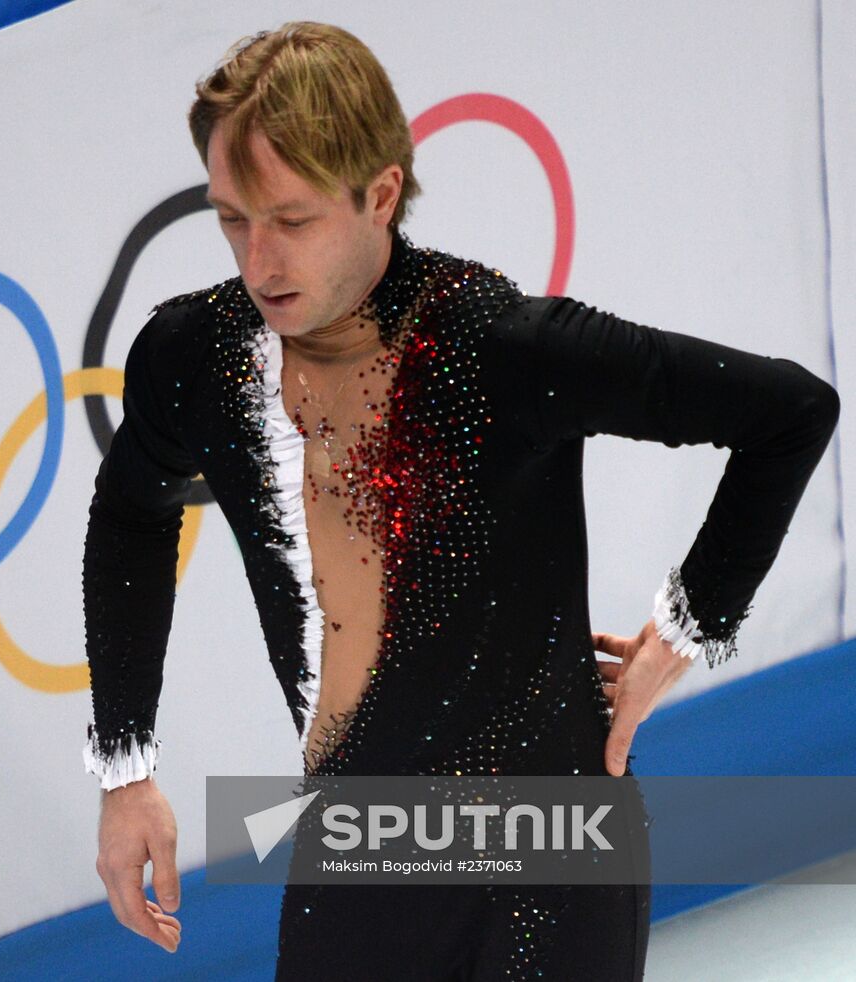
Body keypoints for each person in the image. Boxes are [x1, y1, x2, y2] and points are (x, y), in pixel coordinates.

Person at [80, 20, 840, 980]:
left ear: (382, 193)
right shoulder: (195, 358)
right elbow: (132, 516)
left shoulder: (503, 348)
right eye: (233, 218)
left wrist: (684, 630)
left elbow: (789, 412)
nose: (258, 260)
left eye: (293, 218)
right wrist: (125, 766)